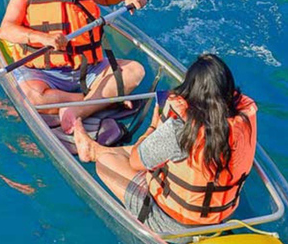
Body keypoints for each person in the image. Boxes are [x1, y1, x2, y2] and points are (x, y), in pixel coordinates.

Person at [73, 54, 257, 236]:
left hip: (171, 225)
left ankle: (95, 152)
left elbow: (136, 162)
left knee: (106, 161)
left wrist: (153, 127)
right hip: (218, 219)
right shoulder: (244, 123)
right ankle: (97, 149)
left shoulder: (181, 129)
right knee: (159, 153)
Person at [0, 0, 147, 134]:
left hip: (86, 68)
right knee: (30, 96)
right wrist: (44, 38)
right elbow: (7, 29)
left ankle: (78, 110)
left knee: (134, 71)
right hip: (45, 73)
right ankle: (100, 100)